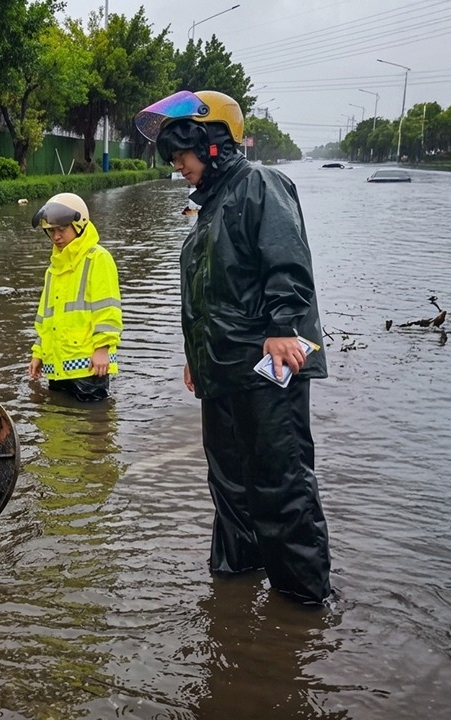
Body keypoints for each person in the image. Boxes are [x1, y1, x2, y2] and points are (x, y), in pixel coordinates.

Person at [134, 90, 332, 605]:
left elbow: (287, 264)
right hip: (220, 371)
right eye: (173, 159)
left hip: (268, 366)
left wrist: (285, 327)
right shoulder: (208, 208)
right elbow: (208, 292)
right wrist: (195, 358)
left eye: (183, 156)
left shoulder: (260, 185)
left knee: (280, 487)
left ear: (214, 142)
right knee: (229, 486)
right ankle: (235, 585)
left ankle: (304, 604)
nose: (178, 167)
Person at [27, 192, 123, 403]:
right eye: (51, 231)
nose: (56, 236)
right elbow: (45, 319)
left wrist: (102, 348)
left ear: (79, 225)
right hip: (57, 368)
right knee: (54, 426)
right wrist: (38, 353)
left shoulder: (97, 258)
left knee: (93, 427)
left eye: (62, 229)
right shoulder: (53, 269)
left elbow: (108, 309)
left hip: (88, 367)